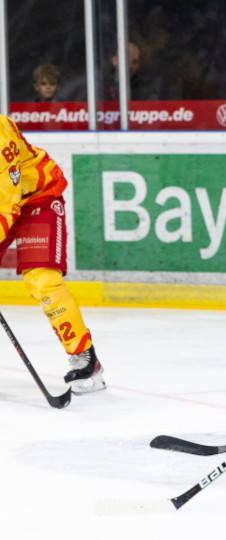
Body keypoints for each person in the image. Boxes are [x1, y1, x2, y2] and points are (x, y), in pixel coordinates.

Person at [0, 114, 105, 393]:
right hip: (7, 204)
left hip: (37, 198)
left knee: (42, 280)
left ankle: (85, 357)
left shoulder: (0, 137)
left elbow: (6, 207)